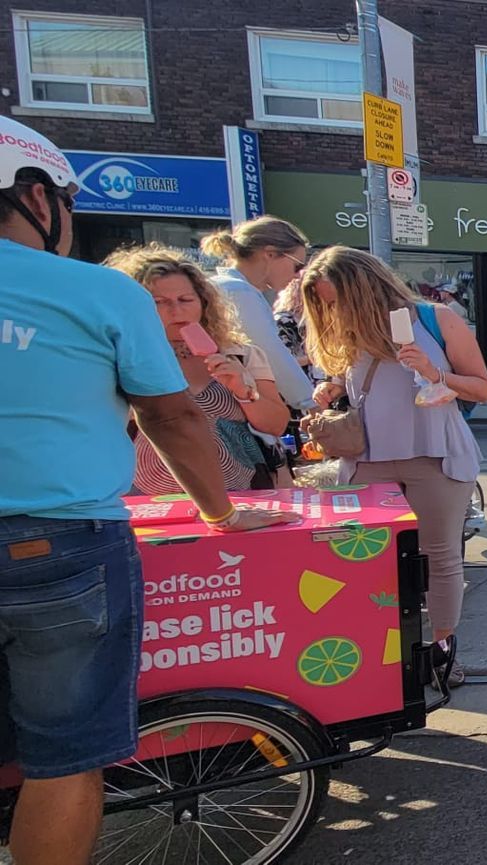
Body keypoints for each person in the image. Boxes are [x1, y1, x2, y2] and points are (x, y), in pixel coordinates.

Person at [0, 116, 291, 865]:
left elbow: (265, 417)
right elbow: (169, 415)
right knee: (65, 757)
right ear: (36, 195)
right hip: (57, 540)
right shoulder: (92, 291)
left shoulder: (217, 340)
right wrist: (221, 513)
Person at [303, 247, 487, 686]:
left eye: (338, 301)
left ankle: (442, 651)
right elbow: (361, 381)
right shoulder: (343, 332)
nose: (333, 311)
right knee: (370, 563)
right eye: (326, 304)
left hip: (435, 455)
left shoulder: (434, 320)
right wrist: (331, 387)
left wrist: (433, 372)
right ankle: (383, 652)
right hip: (367, 459)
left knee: (440, 556)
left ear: (364, 290)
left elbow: (482, 389)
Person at [104, 245, 292, 494]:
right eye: (159, 302)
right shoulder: (115, 359)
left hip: (240, 492)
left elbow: (276, 425)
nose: (176, 310)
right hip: (145, 499)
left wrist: (244, 392)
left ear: (204, 302)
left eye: (186, 300)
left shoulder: (240, 354)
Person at [200, 216, 317, 411]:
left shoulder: (227, 286)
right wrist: (310, 404)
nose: (298, 274)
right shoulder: (239, 291)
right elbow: (271, 355)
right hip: (228, 405)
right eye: (297, 265)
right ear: (270, 254)